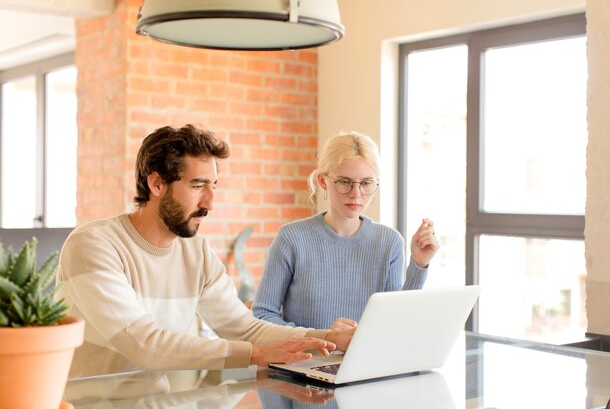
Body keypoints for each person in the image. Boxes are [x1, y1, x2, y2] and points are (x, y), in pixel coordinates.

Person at [56, 124, 353, 378]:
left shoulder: (195, 251)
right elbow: (144, 345)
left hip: (165, 406)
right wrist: (256, 354)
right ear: (157, 184)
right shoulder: (93, 245)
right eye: (198, 186)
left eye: (213, 186)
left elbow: (243, 328)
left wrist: (327, 338)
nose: (209, 203)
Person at [252, 131, 439, 330]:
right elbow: (263, 315)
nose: (356, 194)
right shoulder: (291, 238)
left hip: (368, 360)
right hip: (307, 360)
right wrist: (323, 338)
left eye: (366, 183)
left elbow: (396, 322)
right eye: (344, 182)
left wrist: (419, 264)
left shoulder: (389, 242)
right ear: (323, 181)